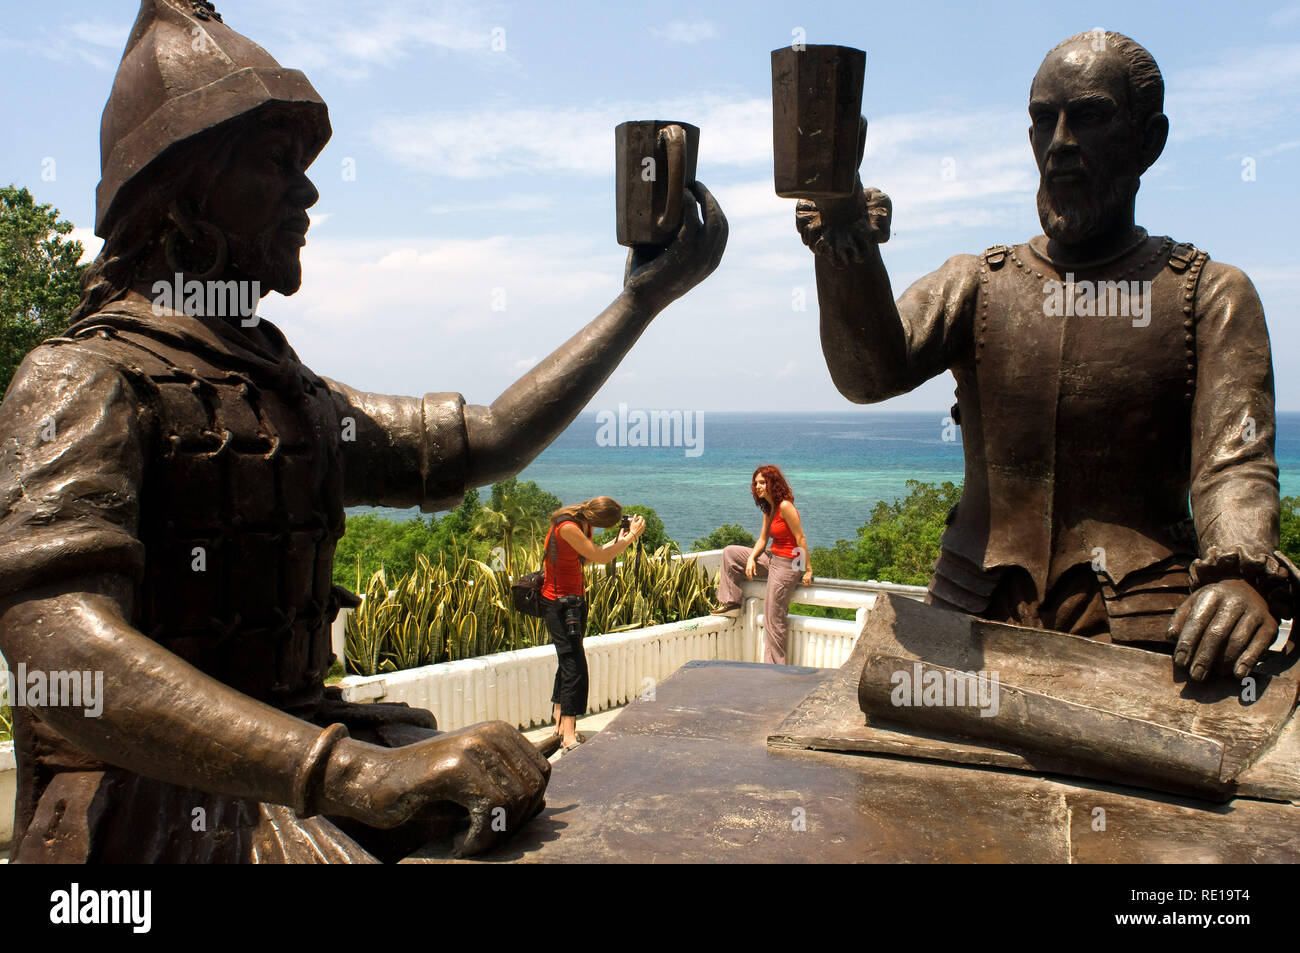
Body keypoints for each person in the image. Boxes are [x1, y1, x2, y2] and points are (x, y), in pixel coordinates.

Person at [0, 0, 726, 863]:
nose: (306, 190)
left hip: (297, 764)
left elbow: (484, 440)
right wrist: (352, 774)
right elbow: (63, 657)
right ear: (181, 191)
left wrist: (640, 299)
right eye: (275, 163)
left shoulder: (282, 389)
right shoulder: (83, 378)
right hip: (158, 813)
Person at [797, 30, 1296, 682]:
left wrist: (1240, 575)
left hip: (1140, 637)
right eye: (1042, 120)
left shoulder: (1209, 295)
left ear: (1150, 139)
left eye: (1088, 116)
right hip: (967, 625)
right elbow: (868, 372)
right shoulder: (980, 281)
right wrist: (846, 237)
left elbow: (1233, 465)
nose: (1059, 142)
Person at [541, 498, 645, 752]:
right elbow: (600, 557)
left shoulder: (581, 523)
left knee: (568, 660)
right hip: (558, 603)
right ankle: (568, 735)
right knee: (574, 666)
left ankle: (558, 720)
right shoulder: (568, 526)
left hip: (573, 600)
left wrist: (620, 539)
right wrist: (630, 538)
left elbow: (587, 557)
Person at [711, 465, 813, 664]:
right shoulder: (770, 508)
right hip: (772, 558)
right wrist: (751, 557)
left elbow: (801, 538)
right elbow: (762, 540)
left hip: (788, 564)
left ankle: (775, 667)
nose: (757, 486)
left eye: (762, 482)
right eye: (756, 483)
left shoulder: (785, 506)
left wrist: (807, 569)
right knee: (730, 553)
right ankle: (731, 602)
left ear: (772, 483)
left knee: (772, 616)